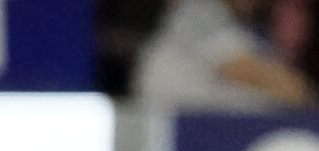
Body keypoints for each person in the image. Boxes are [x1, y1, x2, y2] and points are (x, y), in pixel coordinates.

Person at [134, 0, 318, 110]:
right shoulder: (198, 9)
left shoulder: (248, 31)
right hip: (165, 125)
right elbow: (245, 72)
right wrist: (307, 95)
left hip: (207, 123)